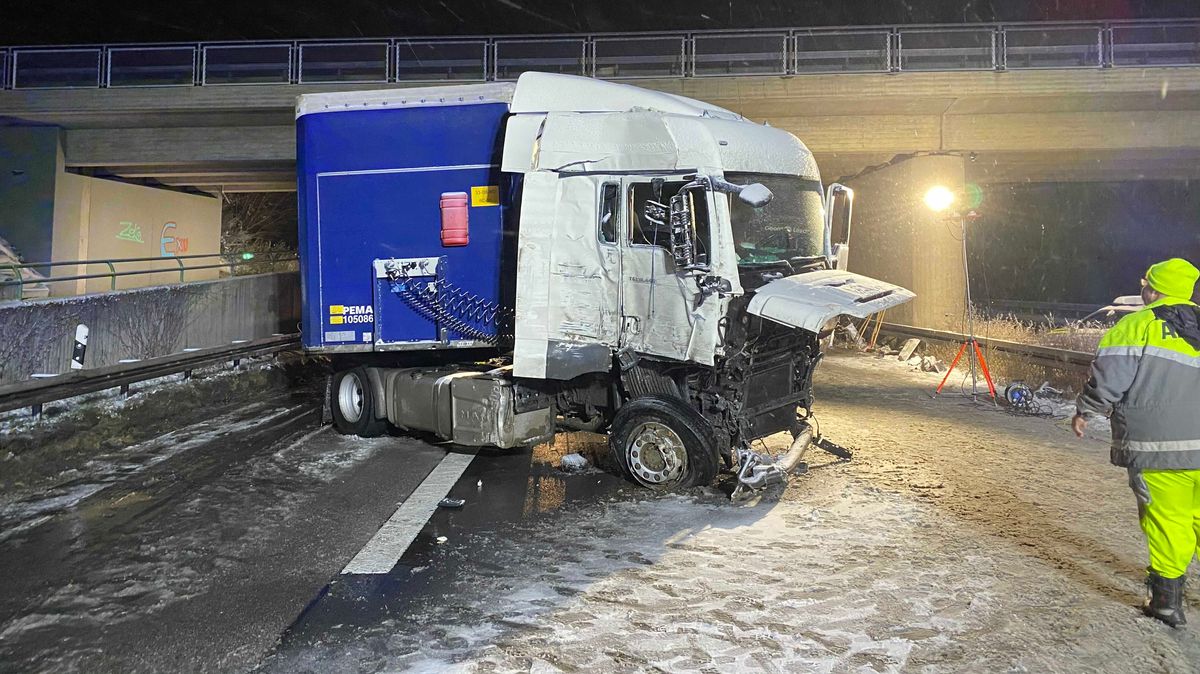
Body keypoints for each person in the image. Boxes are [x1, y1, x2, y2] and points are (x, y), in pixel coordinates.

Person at [1073, 257, 1200, 627]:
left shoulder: (1139, 324)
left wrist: (1086, 409)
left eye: (1146, 283)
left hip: (1160, 447)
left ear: (1154, 288)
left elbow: (1110, 376)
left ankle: (1165, 601)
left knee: (1168, 520)